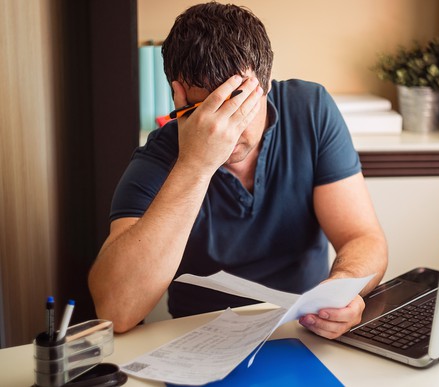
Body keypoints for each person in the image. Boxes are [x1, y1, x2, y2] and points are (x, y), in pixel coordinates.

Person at [88, 2, 387, 339]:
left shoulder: (310, 109)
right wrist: (195, 164)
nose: (226, 128)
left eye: (240, 102)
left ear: (267, 82)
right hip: (203, 338)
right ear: (178, 98)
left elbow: (363, 237)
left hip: (303, 330)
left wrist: (344, 287)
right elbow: (117, 310)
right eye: (207, 109)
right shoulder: (158, 157)